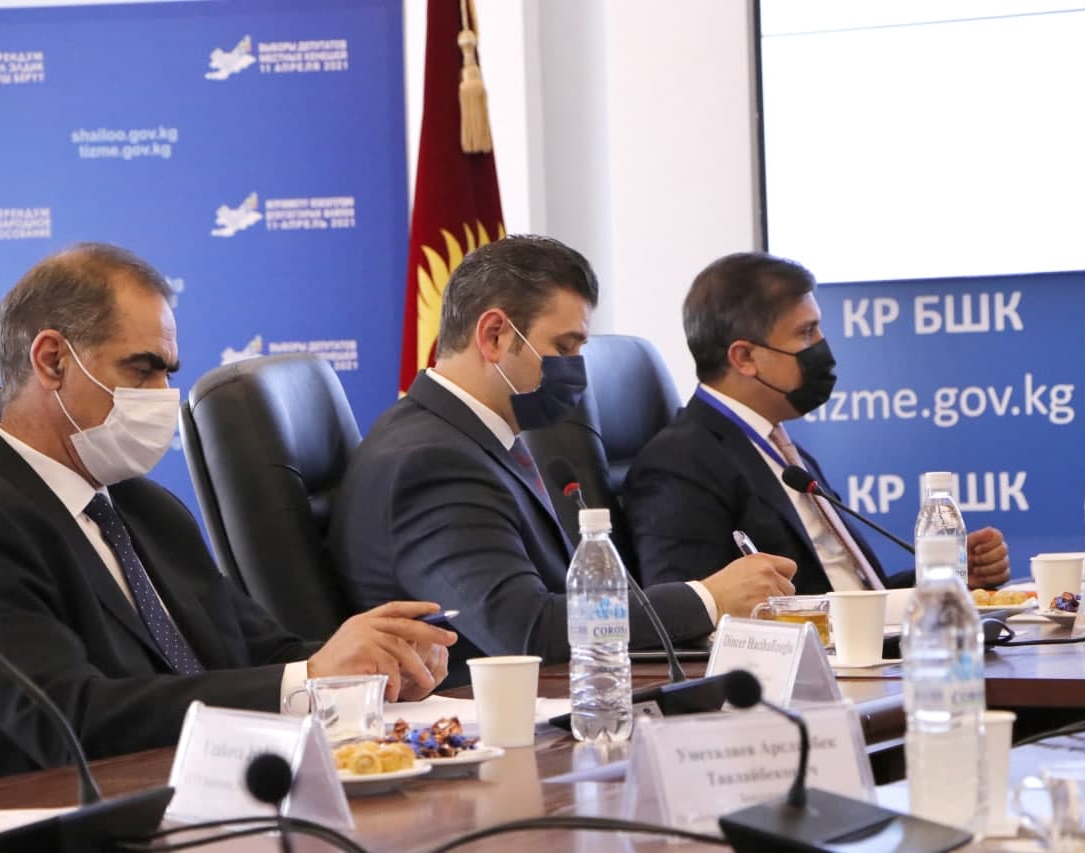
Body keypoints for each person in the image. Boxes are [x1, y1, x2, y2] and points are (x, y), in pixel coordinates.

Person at [0, 243, 454, 780]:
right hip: (82, 819)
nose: (164, 394)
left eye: (168, 372)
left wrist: (366, 671)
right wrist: (307, 680)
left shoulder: (145, 507)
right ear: (52, 360)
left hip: (220, 794)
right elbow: (70, 718)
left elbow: (264, 655)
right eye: (143, 369)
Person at [329, 236, 796, 682]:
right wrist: (708, 599)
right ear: (494, 336)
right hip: (483, 716)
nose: (576, 370)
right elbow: (526, 629)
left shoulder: (476, 440)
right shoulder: (431, 463)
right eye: (564, 347)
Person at [625, 251, 1011, 594]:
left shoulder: (778, 445)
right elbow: (692, 612)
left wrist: (945, 579)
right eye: (806, 333)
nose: (822, 346)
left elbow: (848, 593)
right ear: (744, 358)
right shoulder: (680, 463)